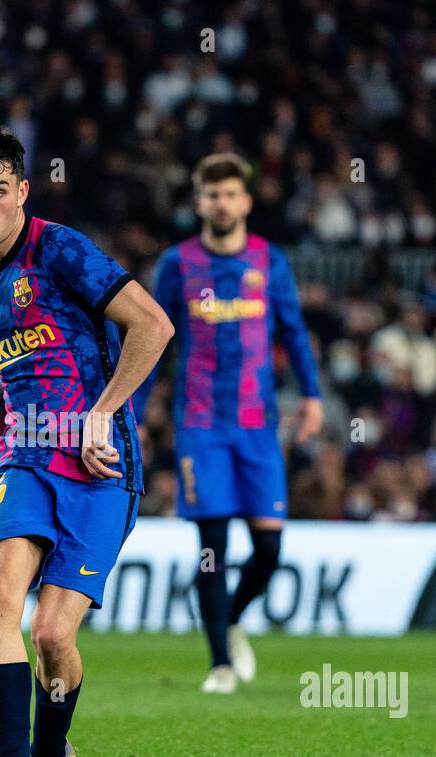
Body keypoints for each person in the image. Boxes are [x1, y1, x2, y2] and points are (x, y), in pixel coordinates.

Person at [0, 126, 172, 757]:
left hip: (102, 468)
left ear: (20, 192)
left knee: (51, 636)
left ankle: (49, 752)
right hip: (24, 456)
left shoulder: (61, 248)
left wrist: (101, 413)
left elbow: (154, 326)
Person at [134, 153, 323, 694]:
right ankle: (219, 662)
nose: (220, 203)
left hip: (258, 425)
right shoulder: (177, 264)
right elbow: (152, 338)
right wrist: (138, 412)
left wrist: (311, 396)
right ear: (199, 202)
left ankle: (232, 617)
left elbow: (293, 332)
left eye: (230, 194)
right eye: (211, 194)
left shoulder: (270, 260)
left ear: (246, 201)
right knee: (212, 545)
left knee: (268, 549)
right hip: (200, 425)